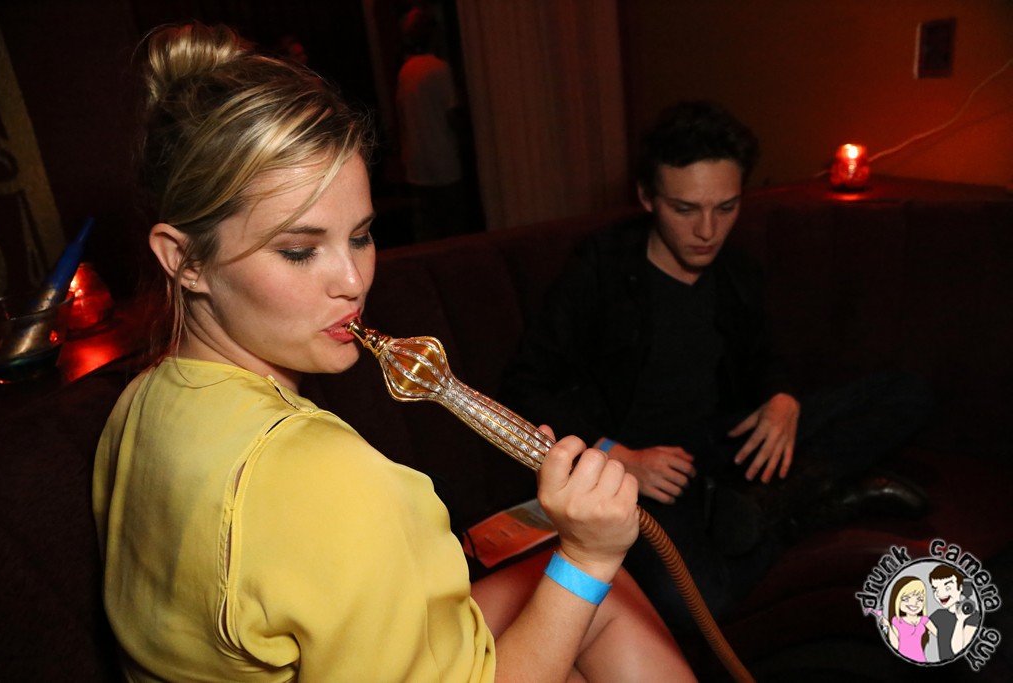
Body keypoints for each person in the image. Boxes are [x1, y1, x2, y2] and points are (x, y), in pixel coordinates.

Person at [92, 22, 695, 682]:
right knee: (599, 590)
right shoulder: (334, 480)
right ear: (184, 260)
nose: (354, 281)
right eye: (299, 250)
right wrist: (587, 557)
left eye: (360, 236)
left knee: (605, 609)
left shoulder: (138, 403)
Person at [500, 100, 934, 632]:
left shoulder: (736, 270)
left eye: (725, 208)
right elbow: (524, 384)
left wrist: (781, 398)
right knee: (694, 603)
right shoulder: (600, 268)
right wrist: (616, 456)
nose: (707, 231)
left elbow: (765, 358)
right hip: (647, 470)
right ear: (648, 197)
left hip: (728, 442)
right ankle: (806, 509)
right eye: (685, 209)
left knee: (907, 393)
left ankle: (771, 503)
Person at [394, 5, 470, 241]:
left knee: (427, 232)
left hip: (418, 164)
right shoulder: (440, 69)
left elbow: (402, 120)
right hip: (443, 162)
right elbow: (453, 115)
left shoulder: (405, 72)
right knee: (454, 229)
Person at [928, 565, 981, 660]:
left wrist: (960, 620)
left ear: (960, 587)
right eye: (935, 589)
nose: (940, 593)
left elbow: (958, 650)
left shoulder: (973, 616)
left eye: (947, 588)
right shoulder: (938, 615)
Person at [880, 576, 936, 662]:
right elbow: (895, 645)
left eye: (920, 599)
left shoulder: (924, 620)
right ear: (897, 600)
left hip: (920, 659)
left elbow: (940, 635)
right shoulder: (897, 621)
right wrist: (887, 626)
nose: (914, 603)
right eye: (906, 599)